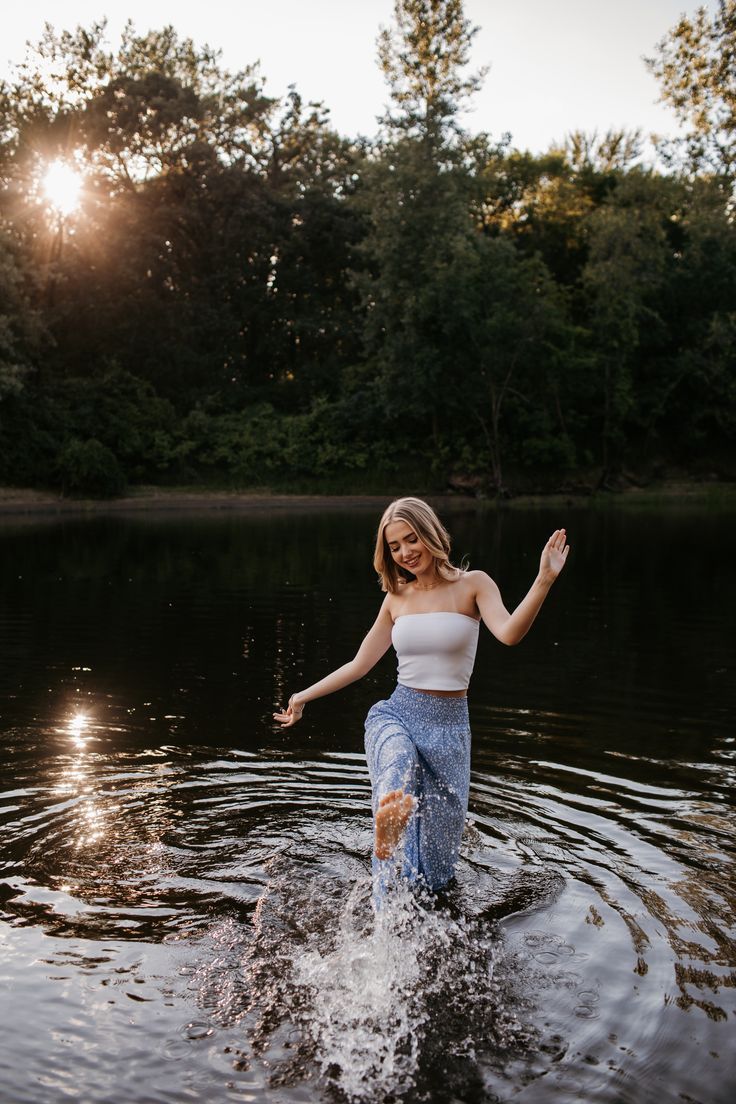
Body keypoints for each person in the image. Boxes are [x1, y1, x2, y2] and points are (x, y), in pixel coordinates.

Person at [273, 497, 569, 901]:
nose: (405, 553)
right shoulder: (396, 599)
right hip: (398, 712)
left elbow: (510, 633)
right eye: (395, 547)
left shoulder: (474, 585)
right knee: (397, 763)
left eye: (411, 540)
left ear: (430, 534)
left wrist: (544, 580)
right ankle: (387, 829)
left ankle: (415, 895)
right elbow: (360, 664)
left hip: (449, 730)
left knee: (435, 873)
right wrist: (303, 696)